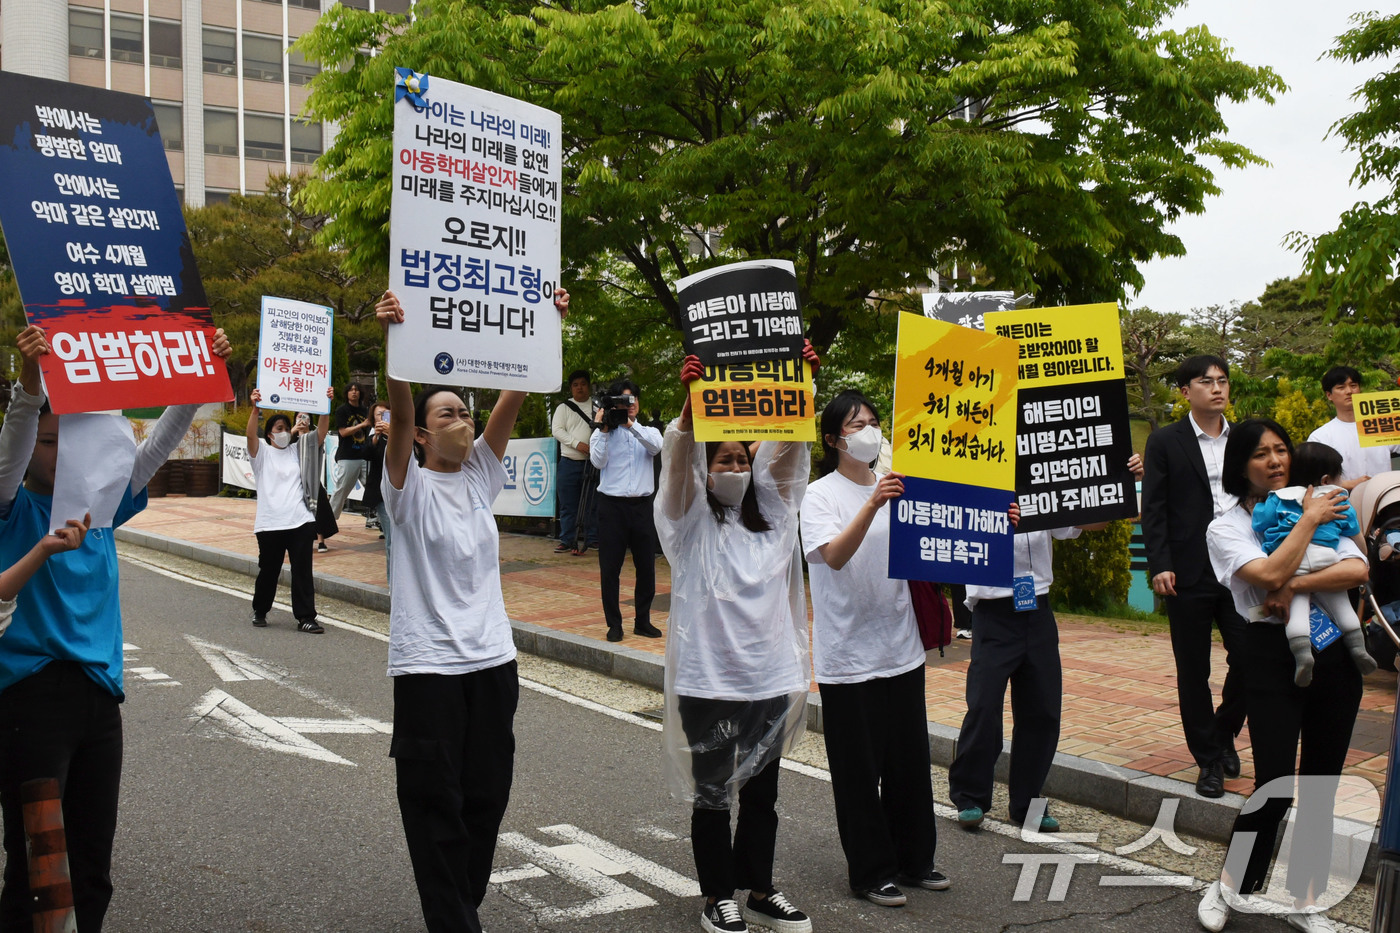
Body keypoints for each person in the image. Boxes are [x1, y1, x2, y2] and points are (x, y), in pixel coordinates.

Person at [0, 322, 231, 933]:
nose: (59, 452)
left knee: (93, 870)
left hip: (101, 703)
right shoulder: (12, 507)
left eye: (69, 442)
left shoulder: (100, 513)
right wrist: (29, 381)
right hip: (30, 700)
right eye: (48, 443)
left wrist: (198, 379)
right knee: (38, 871)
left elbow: (156, 446)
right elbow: (17, 436)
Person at [376, 287, 568, 933]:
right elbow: (400, 416)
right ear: (427, 433)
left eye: (466, 409)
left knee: (485, 799)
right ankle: (455, 921)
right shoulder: (406, 485)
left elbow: (513, 396)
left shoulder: (482, 475)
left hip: (492, 665)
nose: (464, 418)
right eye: (450, 412)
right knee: (436, 804)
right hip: (428, 669)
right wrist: (397, 346)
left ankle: (458, 905)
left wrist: (546, 325)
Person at [658, 347, 819, 933]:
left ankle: (759, 888)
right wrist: (688, 407)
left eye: (740, 457)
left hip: (769, 678)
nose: (733, 466)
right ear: (706, 467)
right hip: (709, 680)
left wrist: (801, 382)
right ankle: (717, 895)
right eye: (719, 458)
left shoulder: (775, 516)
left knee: (762, 795)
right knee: (712, 795)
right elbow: (677, 467)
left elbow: (791, 452)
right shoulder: (689, 520)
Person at [1197, 418, 1366, 933]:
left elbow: (1357, 570)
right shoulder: (1226, 525)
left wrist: (1293, 580)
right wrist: (1308, 524)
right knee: (1274, 782)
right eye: (1260, 455)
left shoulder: (1320, 499)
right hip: (1270, 656)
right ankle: (1229, 885)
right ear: (1239, 466)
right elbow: (1265, 576)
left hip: (1335, 652)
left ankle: (1306, 899)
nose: (1274, 461)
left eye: (1280, 451)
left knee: (1320, 783)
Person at [800, 390, 951, 907]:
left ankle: (915, 860)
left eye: (872, 422)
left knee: (909, 762)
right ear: (832, 439)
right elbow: (834, 557)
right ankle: (869, 871)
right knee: (859, 770)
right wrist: (873, 502)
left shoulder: (901, 484)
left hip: (901, 645)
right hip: (847, 655)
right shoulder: (819, 495)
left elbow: (941, 544)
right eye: (854, 424)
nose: (867, 431)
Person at [949, 453, 1143, 833]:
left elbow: (1092, 521)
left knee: (1041, 710)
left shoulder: (1042, 482)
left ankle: (1027, 803)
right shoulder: (969, 476)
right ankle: (970, 796)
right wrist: (995, 522)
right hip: (992, 610)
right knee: (984, 706)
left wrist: (1123, 482)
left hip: (1037, 607)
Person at [1141, 355, 1249, 798]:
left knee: (1249, 657)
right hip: (1187, 569)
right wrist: (1160, 562)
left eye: (1223, 381)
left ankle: (1223, 734)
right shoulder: (1165, 441)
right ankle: (1208, 760)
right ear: (1186, 391)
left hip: (1243, 566)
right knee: (1193, 668)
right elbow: (1155, 507)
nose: (1217, 389)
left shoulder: (1245, 439)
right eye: (1207, 382)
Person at [1250, 441, 1374, 685]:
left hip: (1290, 564)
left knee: (1296, 613)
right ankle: (1358, 648)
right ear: (1327, 479)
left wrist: (1263, 506)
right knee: (1342, 607)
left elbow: (1258, 524)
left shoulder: (1278, 497)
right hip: (1325, 562)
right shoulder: (1338, 500)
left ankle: (1302, 655)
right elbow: (1358, 540)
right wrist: (1363, 551)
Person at [246, 386, 332, 633]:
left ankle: (306, 617)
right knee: (269, 570)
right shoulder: (261, 453)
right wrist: (255, 409)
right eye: (279, 429)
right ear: (270, 434)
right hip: (270, 523)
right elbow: (250, 436)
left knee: (302, 571)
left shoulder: (299, 449)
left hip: (300, 521)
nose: (284, 433)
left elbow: (321, 433)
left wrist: (325, 405)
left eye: (286, 428)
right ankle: (260, 609)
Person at [590, 378, 663, 641]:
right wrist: (604, 429)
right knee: (610, 569)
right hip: (612, 508)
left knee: (646, 567)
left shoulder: (649, 432)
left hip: (642, 507)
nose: (628, 405)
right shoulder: (603, 432)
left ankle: (642, 621)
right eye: (622, 401)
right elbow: (597, 462)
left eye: (632, 400)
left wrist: (630, 425)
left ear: (638, 404)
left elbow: (657, 447)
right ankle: (614, 624)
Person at [1307, 365, 1400, 490]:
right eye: (1341, 387)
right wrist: (1349, 485)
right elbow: (1315, 478)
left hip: (1385, 499)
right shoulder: (1320, 437)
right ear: (1329, 395)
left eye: (1353, 385)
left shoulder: (1381, 423)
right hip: (1343, 504)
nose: (1349, 391)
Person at [551, 369, 598, 554]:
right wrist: (577, 444)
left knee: (593, 503)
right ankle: (567, 540)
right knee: (568, 504)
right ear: (571, 388)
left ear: (588, 386)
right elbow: (557, 430)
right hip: (569, 462)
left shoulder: (597, 407)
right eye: (575, 385)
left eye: (583, 384)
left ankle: (593, 539)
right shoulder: (563, 408)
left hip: (592, 463)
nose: (580, 388)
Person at [328, 380, 371, 520]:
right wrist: (362, 425)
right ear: (346, 393)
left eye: (356, 390)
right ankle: (328, 520)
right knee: (341, 490)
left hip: (365, 456)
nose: (354, 392)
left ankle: (377, 519)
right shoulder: (342, 410)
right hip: (347, 456)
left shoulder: (366, 410)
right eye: (351, 390)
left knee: (374, 488)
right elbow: (343, 432)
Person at [361, 400, 393, 581]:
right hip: (382, 495)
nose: (382, 418)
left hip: (403, 494)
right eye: (378, 415)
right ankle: (393, 583)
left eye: (386, 414)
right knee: (392, 539)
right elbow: (367, 454)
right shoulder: (374, 437)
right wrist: (376, 437)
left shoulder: (401, 434)